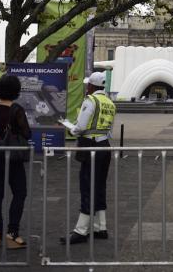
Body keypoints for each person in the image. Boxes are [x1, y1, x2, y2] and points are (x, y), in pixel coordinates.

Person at [62, 71, 117, 244]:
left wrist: (69, 127)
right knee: (99, 186)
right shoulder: (110, 102)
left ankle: (81, 230)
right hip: (105, 146)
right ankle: (100, 227)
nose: (87, 87)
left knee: (87, 186)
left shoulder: (90, 100)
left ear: (92, 86)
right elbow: (109, 130)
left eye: (88, 85)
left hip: (91, 147)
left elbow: (80, 127)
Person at [0, 74, 31, 249]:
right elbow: (27, 133)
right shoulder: (16, 110)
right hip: (11, 155)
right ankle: (12, 233)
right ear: (16, 91)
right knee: (20, 192)